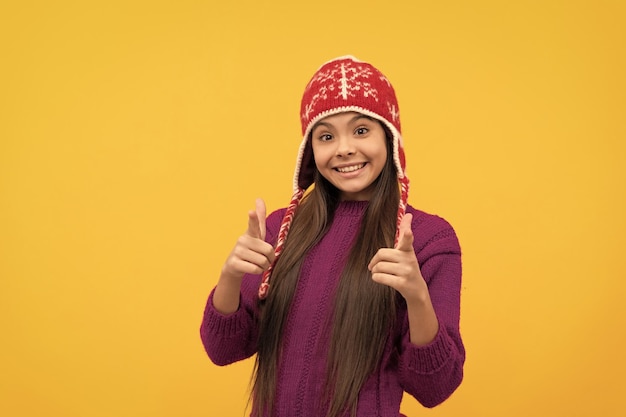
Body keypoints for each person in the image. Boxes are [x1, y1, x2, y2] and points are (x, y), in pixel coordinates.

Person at [200, 55, 465, 417]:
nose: (343, 149)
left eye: (360, 130)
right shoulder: (280, 230)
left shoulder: (430, 239)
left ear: (389, 136)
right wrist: (230, 277)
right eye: (326, 136)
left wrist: (417, 296)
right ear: (311, 150)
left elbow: (435, 388)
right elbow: (222, 350)